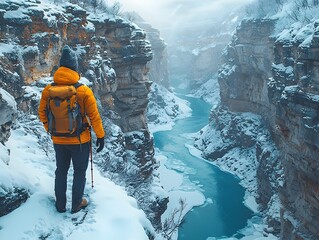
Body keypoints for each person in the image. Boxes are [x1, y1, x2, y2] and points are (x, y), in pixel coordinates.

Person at [38, 45, 105, 213]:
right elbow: (94, 117)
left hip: (58, 140)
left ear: (60, 67)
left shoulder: (48, 90)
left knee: (61, 171)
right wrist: (100, 136)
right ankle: (76, 204)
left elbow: (42, 113)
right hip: (80, 141)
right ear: (74, 68)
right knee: (79, 173)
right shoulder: (83, 91)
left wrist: (51, 130)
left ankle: (60, 205)